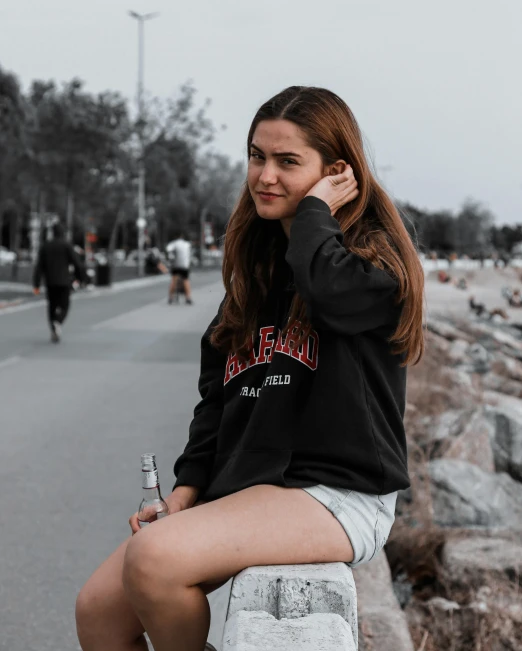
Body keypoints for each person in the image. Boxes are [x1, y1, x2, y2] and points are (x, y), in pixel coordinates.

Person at [75, 86, 425, 651]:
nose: (265, 175)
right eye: (257, 156)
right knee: (98, 613)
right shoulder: (256, 277)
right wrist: (187, 490)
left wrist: (314, 211)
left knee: (154, 560)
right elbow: (218, 398)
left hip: (336, 494)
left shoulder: (373, 267)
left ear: (336, 173)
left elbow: (328, 296)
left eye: (288, 162)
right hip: (254, 488)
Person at [33, 223, 86, 343]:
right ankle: (58, 321)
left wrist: (36, 285)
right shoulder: (66, 246)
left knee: (52, 305)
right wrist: (81, 278)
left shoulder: (45, 246)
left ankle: (53, 327)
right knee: (65, 305)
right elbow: (77, 263)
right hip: (64, 282)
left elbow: (39, 267)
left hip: (50, 282)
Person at [166, 232, 193, 305]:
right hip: (185, 265)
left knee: (174, 280)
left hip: (176, 265)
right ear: (182, 237)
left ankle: (170, 298)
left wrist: (170, 262)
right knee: (186, 280)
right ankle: (188, 298)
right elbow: (190, 254)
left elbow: (169, 252)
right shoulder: (187, 244)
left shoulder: (173, 244)